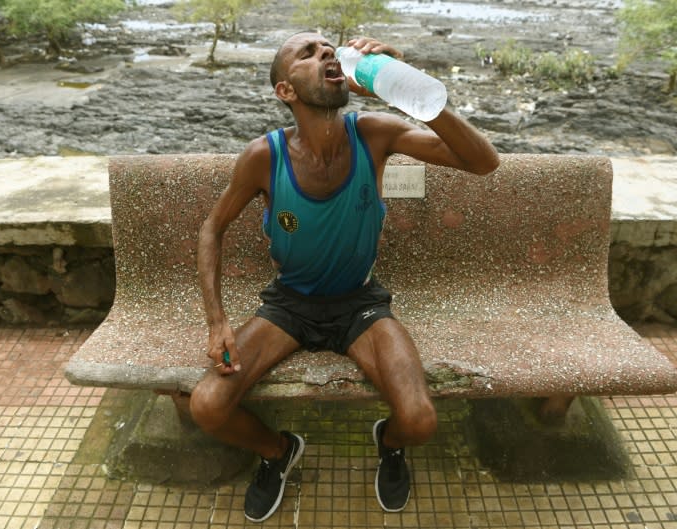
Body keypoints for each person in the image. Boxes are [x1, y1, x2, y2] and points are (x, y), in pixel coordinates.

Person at [189, 32, 500, 522]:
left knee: (418, 422)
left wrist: (409, 90)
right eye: (307, 54)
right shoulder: (264, 156)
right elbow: (212, 228)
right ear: (285, 91)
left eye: (328, 48)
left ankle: (389, 444)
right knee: (206, 407)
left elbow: (484, 162)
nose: (326, 53)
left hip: (360, 305)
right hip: (288, 305)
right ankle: (277, 451)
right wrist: (216, 321)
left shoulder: (374, 132)